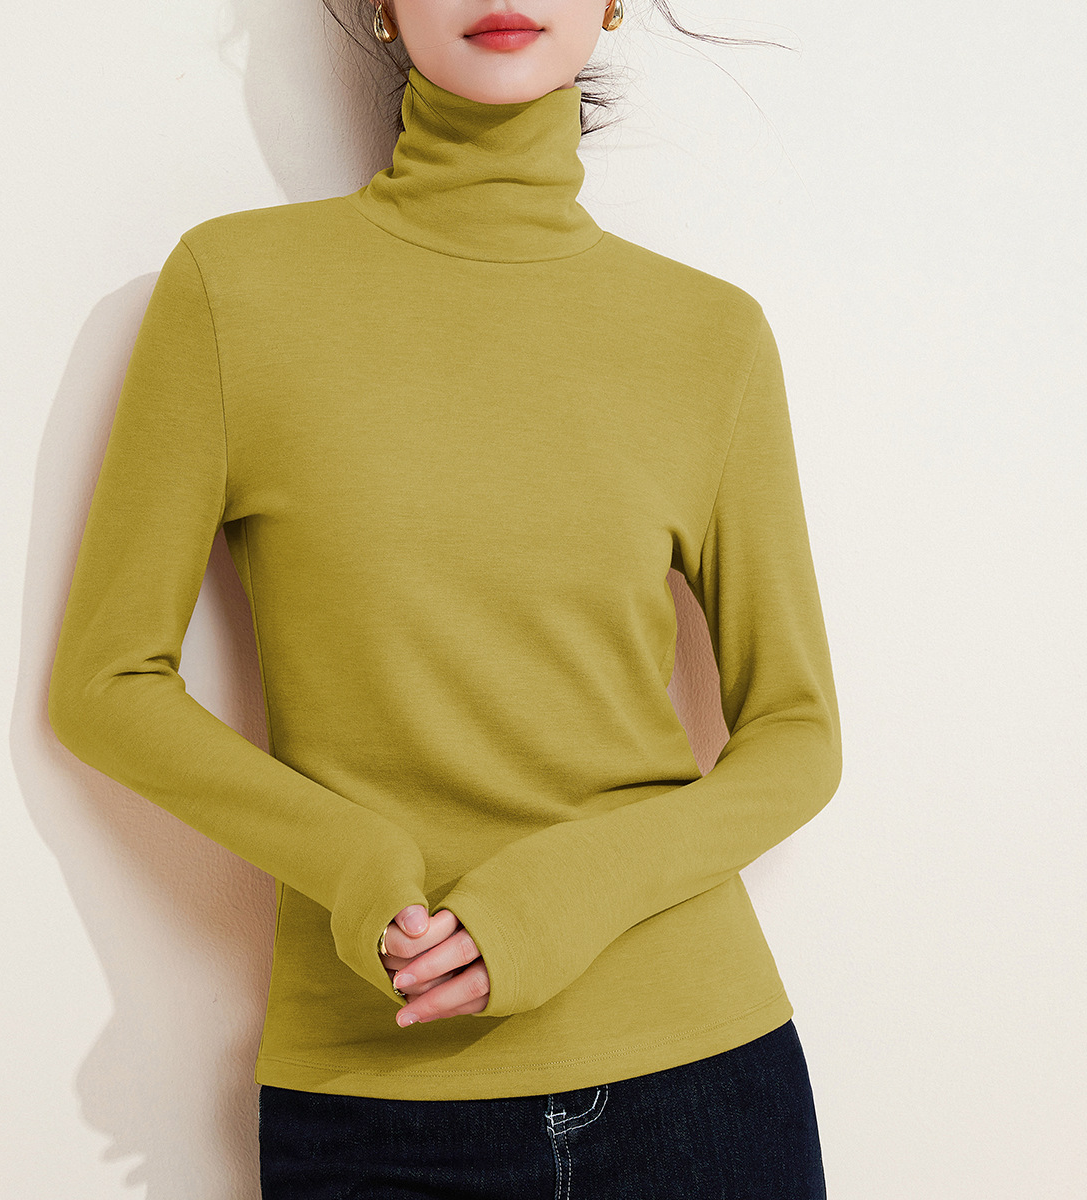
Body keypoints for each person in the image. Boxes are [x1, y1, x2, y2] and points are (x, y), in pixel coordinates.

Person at [48, 1, 842, 1195]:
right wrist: (357, 863)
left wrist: (560, 897)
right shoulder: (236, 288)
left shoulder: (710, 336)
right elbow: (108, 684)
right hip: (376, 1100)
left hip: (699, 1083)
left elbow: (798, 734)